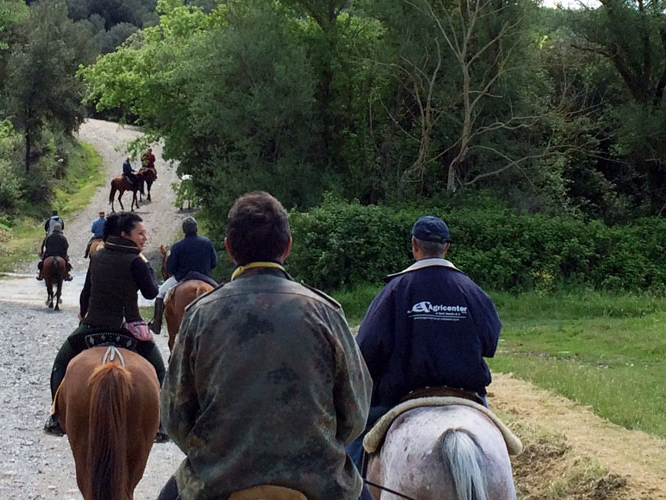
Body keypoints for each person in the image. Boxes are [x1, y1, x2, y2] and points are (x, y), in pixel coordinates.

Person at [157, 192, 373, 500]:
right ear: (287, 246)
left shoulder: (199, 315)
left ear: (230, 249)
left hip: (216, 483)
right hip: (321, 484)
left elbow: (175, 418)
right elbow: (355, 413)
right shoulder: (326, 312)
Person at [345, 215, 502, 471]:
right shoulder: (471, 289)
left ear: (414, 245)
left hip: (401, 397)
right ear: (446, 247)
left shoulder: (394, 290)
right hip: (468, 396)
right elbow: (490, 342)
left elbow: (367, 350)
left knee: (352, 451)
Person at [44, 212, 166, 439]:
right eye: (140, 233)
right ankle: (161, 422)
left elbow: (86, 292)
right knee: (160, 370)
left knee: (60, 363)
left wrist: (83, 314)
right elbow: (151, 292)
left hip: (93, 326)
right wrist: (147, 265)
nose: (144, 238)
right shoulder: (136, 262)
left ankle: (55, 416)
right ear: (124, 234)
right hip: (129, 328)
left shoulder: (98, 256)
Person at [149, 217, 218, 334]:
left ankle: (157, 324)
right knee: (221, 291)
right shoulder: (207, 242)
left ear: (184, 230)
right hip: (204, 277)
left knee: (160, 294)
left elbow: (170, 267)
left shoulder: (177, 246)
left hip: (182, 277)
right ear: (196, 228)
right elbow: (214, 262)